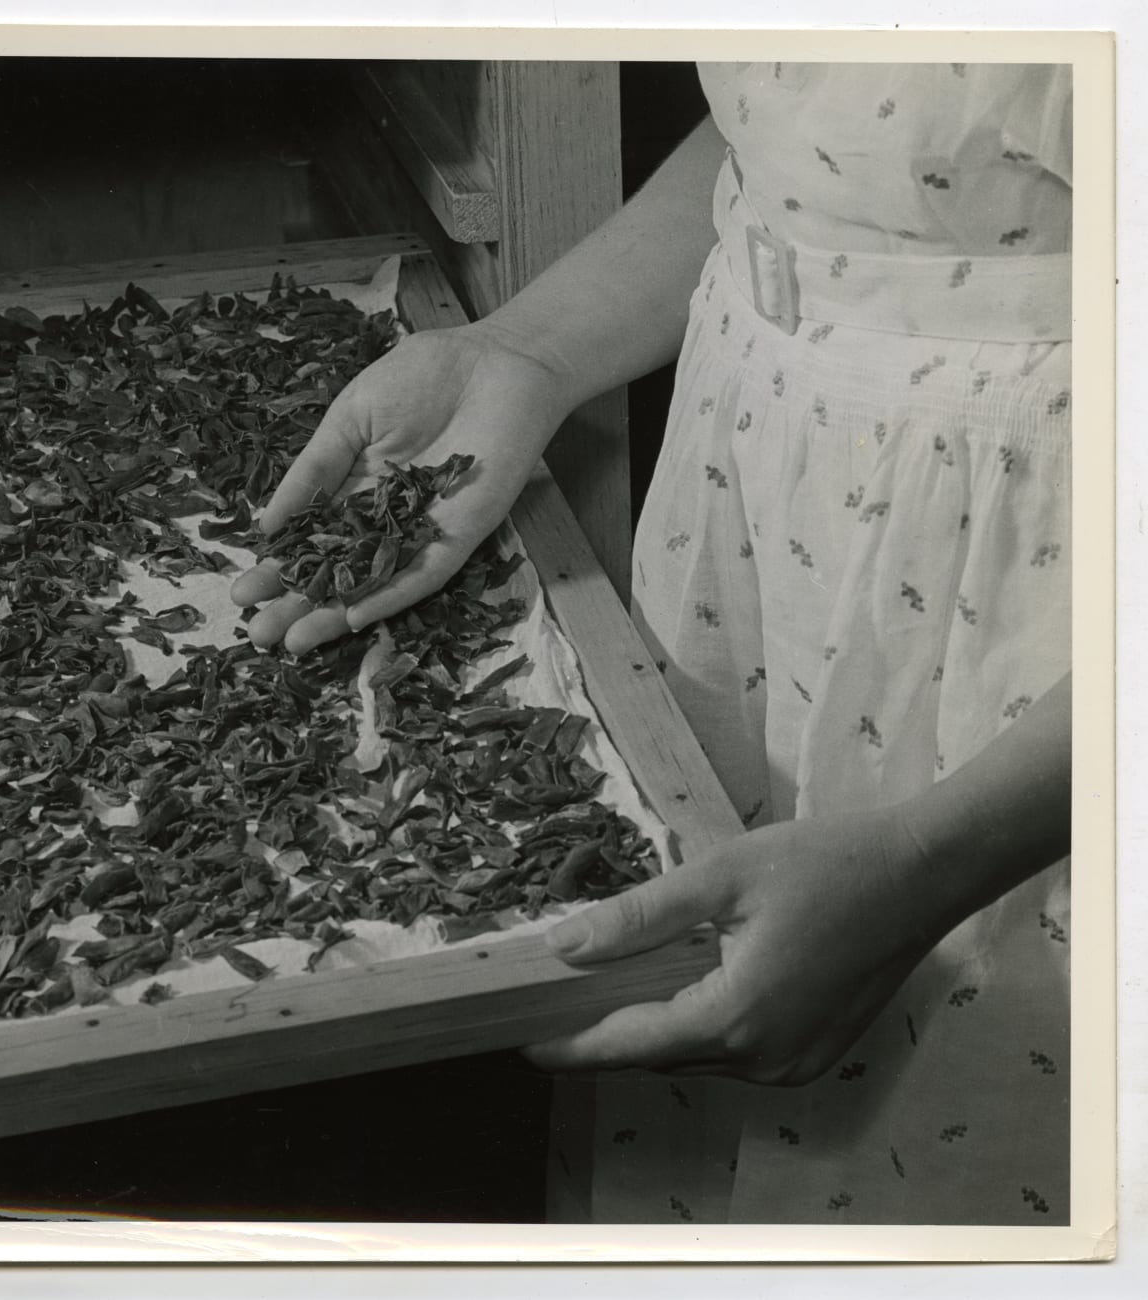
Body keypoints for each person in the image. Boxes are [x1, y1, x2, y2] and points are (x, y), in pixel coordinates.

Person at [230, 62, 1074, 1224]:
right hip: (760, 527)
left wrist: (924, 862)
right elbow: (811, 140)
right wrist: (527, 350)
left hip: (1044, 641)